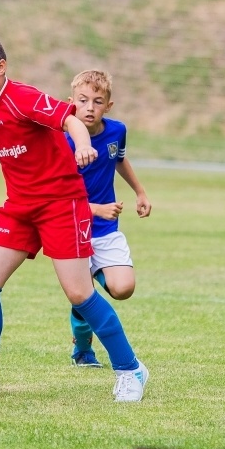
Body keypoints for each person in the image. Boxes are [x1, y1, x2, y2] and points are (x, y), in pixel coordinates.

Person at [0, 33, 148, 402]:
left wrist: (83, 145)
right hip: (20, 207)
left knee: (79, 292)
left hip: (61, 204)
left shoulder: (23, 97)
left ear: (0, 67)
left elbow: (69, 119)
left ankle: (130, 369)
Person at [65, 69, 152, 368]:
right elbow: (57, 195)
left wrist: (140, 192)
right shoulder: (61, 140)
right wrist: (95, 208)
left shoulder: (116, 131)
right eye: (83, 100)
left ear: (108, 106)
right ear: (71, 102)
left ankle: (89, 285)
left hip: (105, 230)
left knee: (123, 288)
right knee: (82, 295)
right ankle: (82, 350)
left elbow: (119, 159)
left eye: (97, 101)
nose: (89, 107)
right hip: (71, 227)